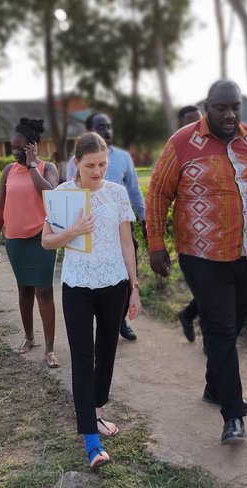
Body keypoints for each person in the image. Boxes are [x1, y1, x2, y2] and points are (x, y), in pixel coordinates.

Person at [146, 80, 247, 445]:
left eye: (235, 107)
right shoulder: (182, 143)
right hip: (201, 255)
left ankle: (215, 387)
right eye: (221, 108)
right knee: (222, 331)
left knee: (234, 325)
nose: (229, 115)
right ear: (207, 106)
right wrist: (156, 244)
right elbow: (158, 192)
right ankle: (232, 415)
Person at [42, 132, 142, 468]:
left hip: (114, 284)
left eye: (102, 164)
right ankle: (91, 441)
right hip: (77, 286)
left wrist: (134, 286)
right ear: (76, 164)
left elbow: (127, 243)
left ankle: (96, 411)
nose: (97, 171)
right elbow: (47, 242)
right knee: (83, 359)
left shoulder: (116, 193)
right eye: (90, 165)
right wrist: (72, 231)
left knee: (107, 354)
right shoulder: (62, 195)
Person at [67, 112, 145, 342]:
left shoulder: (123, 158)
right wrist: (72, 229)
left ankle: (119, 320)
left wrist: (144, 218)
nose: (97, 171)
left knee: (121, 273)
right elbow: (72, 195)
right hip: (86, 240)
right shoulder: (75, 168)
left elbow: (134, 190)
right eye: (100, 127)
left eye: (109, 126)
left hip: (119, 224)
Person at [0, 118, 61, 368]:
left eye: (21, 148)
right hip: (15, 242)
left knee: (44, 291)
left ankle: (50, 348)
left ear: (32, 146)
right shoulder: (8, 171)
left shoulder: (46, 168)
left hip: (41, 239)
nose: (16, 152)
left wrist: (32, 165)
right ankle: (29, 337)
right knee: (24, 290)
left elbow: (50, 193)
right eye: (13, 148)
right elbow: (1, 207)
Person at [174, 105, 204, 343]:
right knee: (208, 290)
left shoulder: (218, 147)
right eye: (190, 123)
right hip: (190, 238)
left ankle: (188, 314)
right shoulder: (176, 152)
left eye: (199, 121)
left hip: (219, 235)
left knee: (213, 291)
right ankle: (212, 339)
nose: (197, 127)